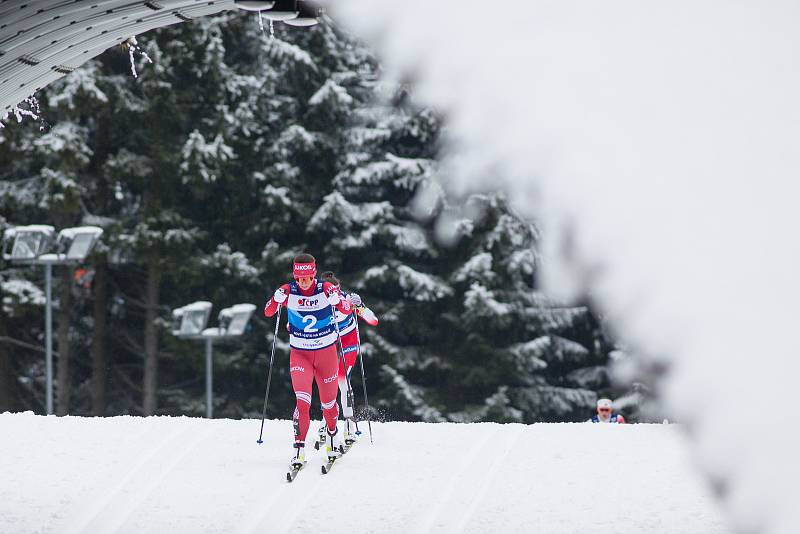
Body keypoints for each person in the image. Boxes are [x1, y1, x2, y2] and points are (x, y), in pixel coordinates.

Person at [263, 253, 353, 469]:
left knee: (329, 405)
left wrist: (338, 300)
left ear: (314, 274)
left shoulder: (325, 289)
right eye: (299, 278)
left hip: (326, 355)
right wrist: (275, 300)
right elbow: (268, 312)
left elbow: (347, 309)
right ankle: (299, 448)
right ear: (295, 276)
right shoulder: (287, 290)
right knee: (302, 401)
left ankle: (332, 434)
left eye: (307, 278)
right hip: (300, 354)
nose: (303, 282)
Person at [316, 271, 379, 447]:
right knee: (327, 381)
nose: (333, 295)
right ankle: (325, 422)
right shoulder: (317, 303)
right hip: (327, 342)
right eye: (329, 292)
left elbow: (373, 320)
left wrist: (361, 306)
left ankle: (350, 423)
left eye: (336, 291)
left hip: (347, 342)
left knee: (342, 380)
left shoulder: (346, 300)